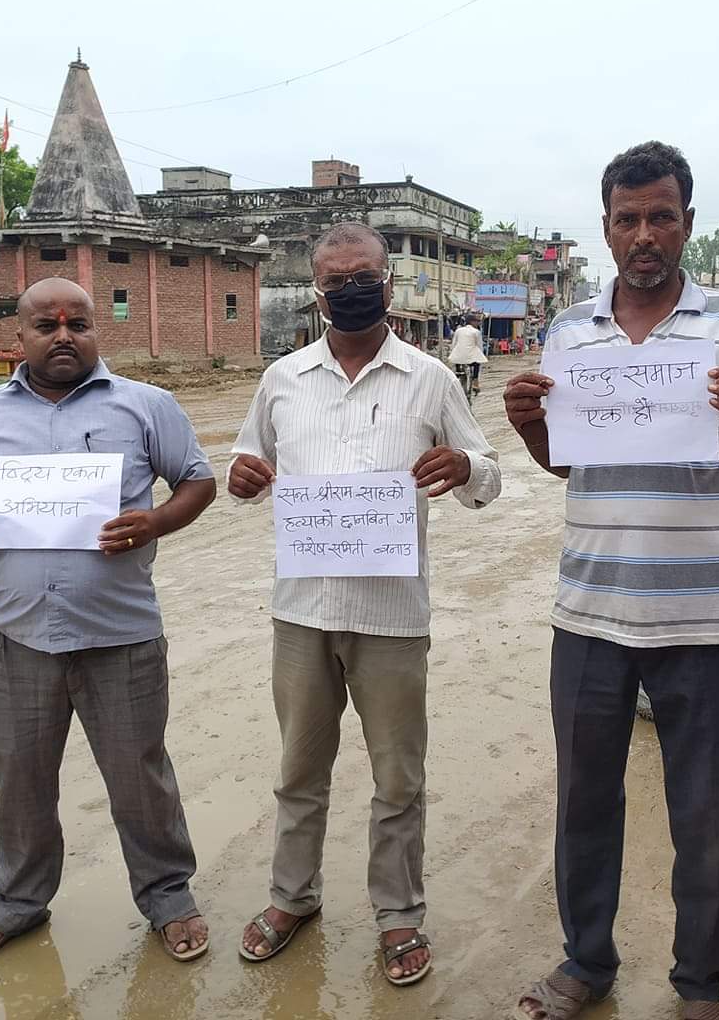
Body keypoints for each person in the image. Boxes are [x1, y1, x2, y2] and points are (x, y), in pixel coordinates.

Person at [504, 142, 719, 1020]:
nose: (645, 234)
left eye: (662, 215)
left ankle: (699, 984)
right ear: (606, 230)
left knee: (703, 815)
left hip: (699, 614)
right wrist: (526, 430)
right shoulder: (567, 332)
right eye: (628, 219)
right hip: (588, 608)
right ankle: (586, 962)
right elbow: (564, 466)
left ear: (688, 224)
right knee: (584, 802)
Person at [229, 222, 501, 986]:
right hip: (302, 613)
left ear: (388, 283)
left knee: (397, 778)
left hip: (392, 618)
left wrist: (465, 466)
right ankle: (293, 897)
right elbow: (251, 461)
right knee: (298, 770)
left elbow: (490, 477)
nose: (351, 289)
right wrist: (243, 478)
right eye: (336, 278)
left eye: (365, 276)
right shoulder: (282, 378)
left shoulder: (430, 378)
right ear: (316, 289)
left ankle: (398, 914)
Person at [0, 277, 217, 963]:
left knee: (140, 776)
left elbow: (197, 481)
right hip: (14, 635)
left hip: (121, 634)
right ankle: (18, 902)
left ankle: (168, 896)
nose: (62, 336)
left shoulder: (147, 406)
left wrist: (156, 521)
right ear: (18, 337)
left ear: (95, 332)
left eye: (77, 324)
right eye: (45, 325)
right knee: (20, 779)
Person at [448, 311, 488, 392]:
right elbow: (479, 347)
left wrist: (452, 353)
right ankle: (475, 381)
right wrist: (481, 356)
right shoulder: (476, 332)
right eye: (476, 321)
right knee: (477, 363)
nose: (478, 323)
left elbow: (454, 344)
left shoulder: (458, 330)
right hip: (471, 358)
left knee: (457, 358)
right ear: (472, 322)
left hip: (458, 358)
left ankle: (458, 371)